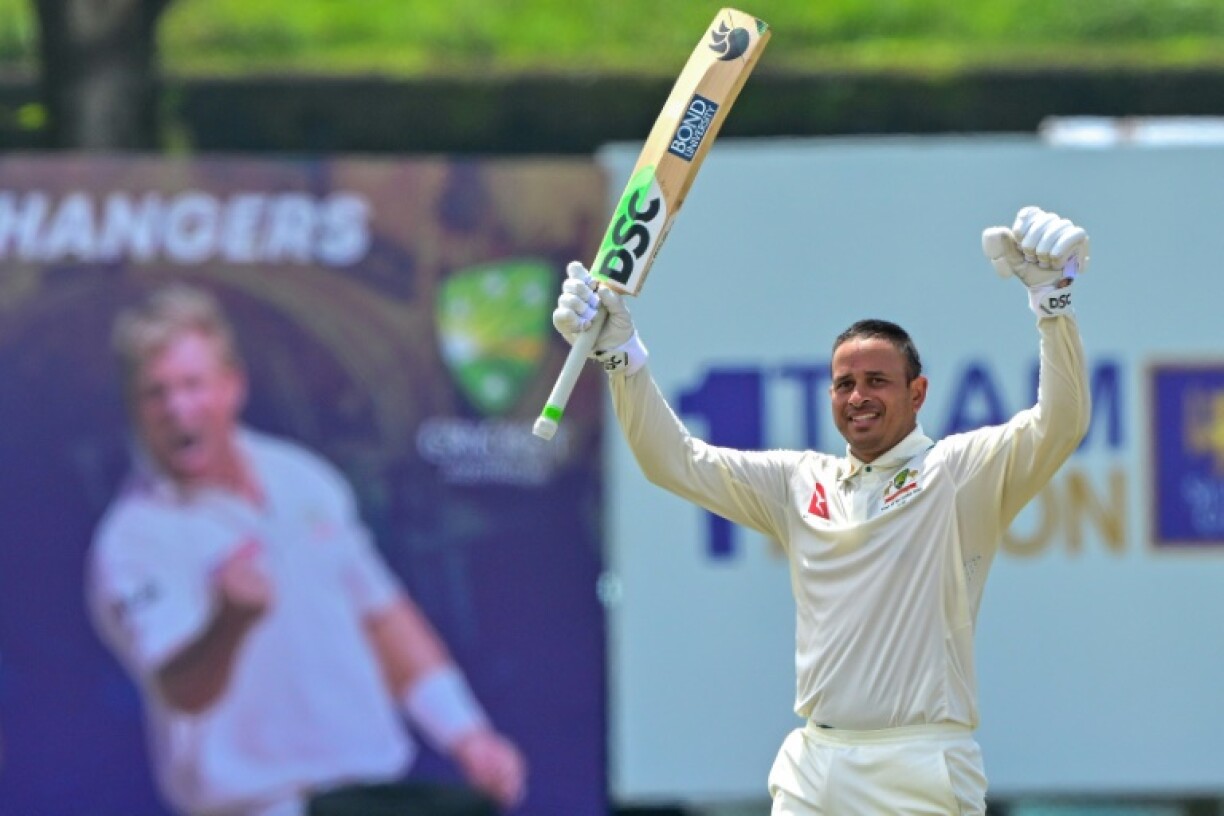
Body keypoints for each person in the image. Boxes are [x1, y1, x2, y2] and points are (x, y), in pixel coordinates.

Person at [552, 206, 1092, 814]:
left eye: (877, 381)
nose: (858, 396)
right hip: (815, 765)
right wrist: (622, 355)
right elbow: (671, 461)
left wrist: (1052, 302)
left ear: (918, 393)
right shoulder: (799, 481)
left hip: (918, 767)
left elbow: (1061, 424)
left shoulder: (960, 473)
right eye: (844, 383)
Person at [87, 284, 526, 816]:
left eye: (192, 385)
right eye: (155, 393)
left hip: (373, 793)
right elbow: (179, 688)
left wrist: (467, 734)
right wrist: (229, 621)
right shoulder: (130, 539)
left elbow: (383, 618)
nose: (178, 409)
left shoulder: (302, 477)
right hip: (256, 804)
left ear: (232, 387)